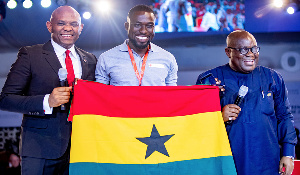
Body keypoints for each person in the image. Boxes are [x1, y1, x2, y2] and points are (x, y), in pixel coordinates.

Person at [0, 6, 97, 175]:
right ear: (49, 26)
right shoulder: (30, 55)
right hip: (40, 150)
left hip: (80, 149)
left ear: (80, 28)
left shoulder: (90, 59)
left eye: (73, 24)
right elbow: (6, 99)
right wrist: (47, 101)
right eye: (61, 23)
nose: (68, 28)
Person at [196, 30, 297, 175]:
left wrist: (288, 153)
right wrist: (218, 117)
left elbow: (285, 116)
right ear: (228, 52)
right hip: (227, 163)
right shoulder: (209, 80)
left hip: (267, 163)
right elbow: (196, 122)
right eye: (243, 49)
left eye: (254, 49)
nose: (251, 54)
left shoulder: (272, 77)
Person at [95, 4, 178, 86]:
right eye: (137, 25)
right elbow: (99, 95)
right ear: (127, 26)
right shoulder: (106, 58)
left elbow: (172, 95)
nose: (143, 31)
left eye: (149, 26)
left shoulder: (168, 58)